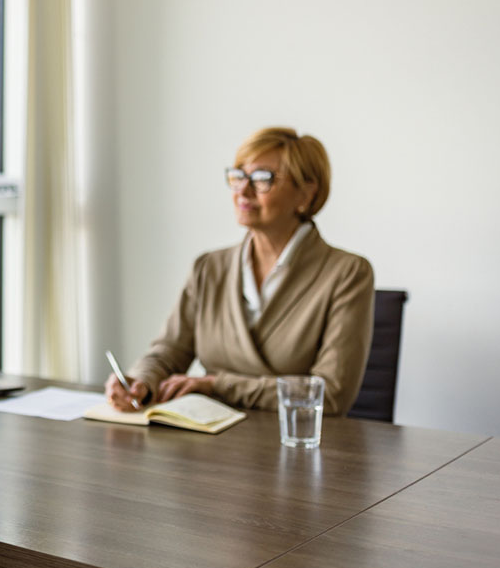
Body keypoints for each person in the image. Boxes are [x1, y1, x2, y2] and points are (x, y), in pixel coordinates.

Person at [106, 127, 374, 416]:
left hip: (295, 444)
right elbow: (168, 352)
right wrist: (140, 381)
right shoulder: (208, 268)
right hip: (209, 438)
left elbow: (330, 394)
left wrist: (217, 386)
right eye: (238, 177)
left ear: (306, 194)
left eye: (262, 179)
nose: (243, 191)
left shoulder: (347, 273)